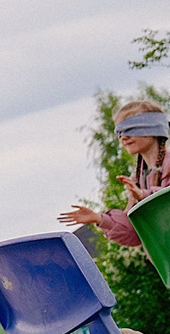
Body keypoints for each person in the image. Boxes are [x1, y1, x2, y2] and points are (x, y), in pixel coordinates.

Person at [61, 100, 168, 249]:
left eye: (132, 128)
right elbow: (135, 234)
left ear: (153, 127)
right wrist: (99, 218)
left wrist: (145, 195)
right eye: (119, 132)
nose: (123, 137)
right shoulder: (138, 178)